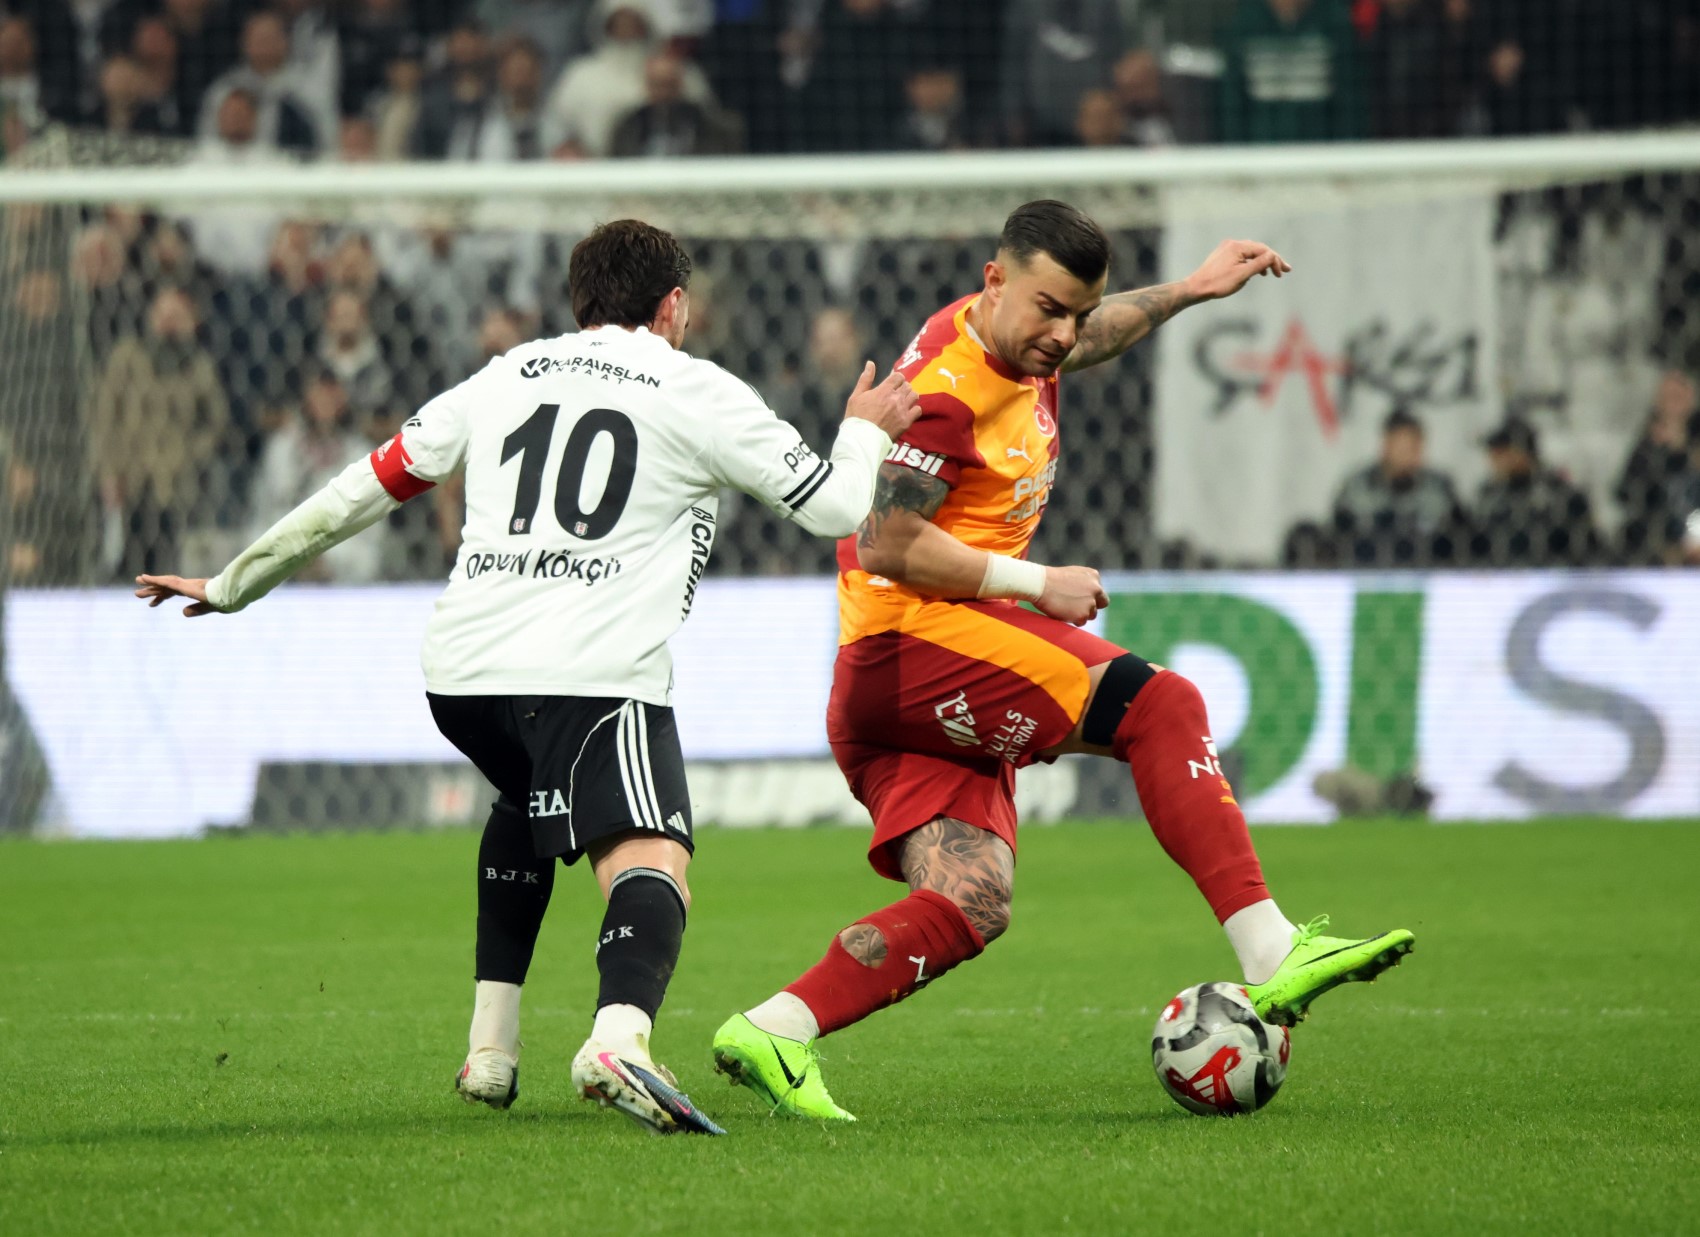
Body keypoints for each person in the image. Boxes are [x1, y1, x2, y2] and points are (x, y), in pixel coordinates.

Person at [135, 219, 921, 1136]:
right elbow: (834, 505)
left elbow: (369, 483)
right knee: (654, 852)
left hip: (462, 678)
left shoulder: (506, 373)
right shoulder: (698, 388)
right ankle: (619, 1039)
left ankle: (491, 1049)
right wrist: (862, 433)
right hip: (589, 671)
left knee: (525, 801)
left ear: (580, 301)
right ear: (673, 304)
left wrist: (233, 583)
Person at [711, 200, 1416, 1121]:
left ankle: (774, 1027)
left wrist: (1191, 290)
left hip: (911, 669)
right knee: (1160, 705)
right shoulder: (947, 392)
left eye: (1076, 313)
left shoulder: (1023, 340)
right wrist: (1037, 582)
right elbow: (883, 539)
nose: (1064, 334)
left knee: (971, 899)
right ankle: (1272, 949)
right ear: (994, 279)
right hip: (911, 645)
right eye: (1049, 308)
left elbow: (1094, 336)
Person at [1330, 408, 1467, 566]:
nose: (1407, 456)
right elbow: (1337, 537)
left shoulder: (1440, 488)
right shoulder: (1357, 488)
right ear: (1386, 446)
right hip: (1368, 572)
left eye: (1413, 448)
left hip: (1427, 571)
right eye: (1401, 448)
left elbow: (1463, 536)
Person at [1470, 417, 1598, 566]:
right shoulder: (1488, 496)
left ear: (1523, 451)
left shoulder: (1560, 495)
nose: (1493, 458)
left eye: (1501, 451)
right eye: (1492, 452)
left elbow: (1586, 549)